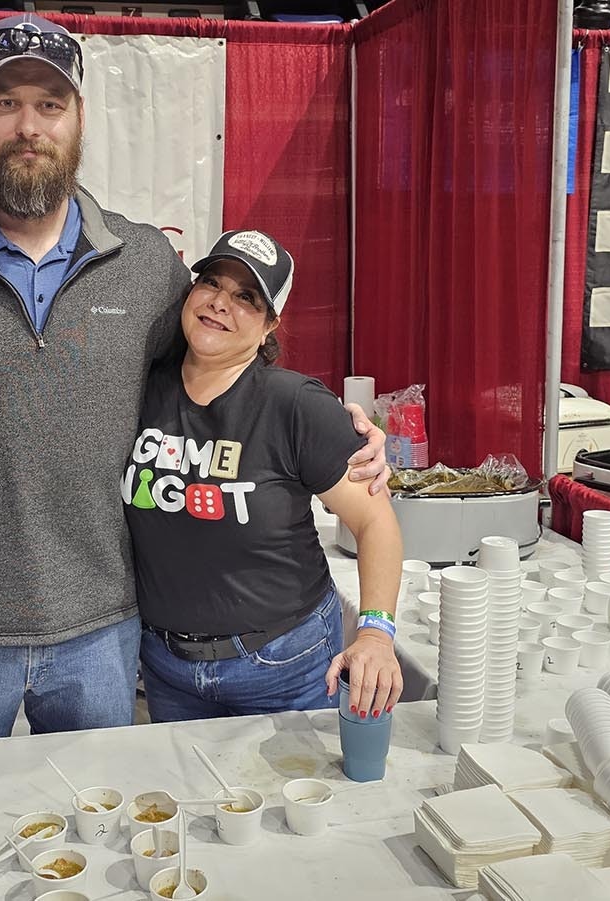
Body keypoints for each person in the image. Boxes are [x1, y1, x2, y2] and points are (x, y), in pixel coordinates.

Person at [0, 13, 386, 746]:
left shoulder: (145, 264)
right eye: (6, 103)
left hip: (100, 636)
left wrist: (337, 426)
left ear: (79, 119)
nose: (28, 125)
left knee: (96, 841)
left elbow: (219, 360)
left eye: (49, 105)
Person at [127, 230, 404, 721]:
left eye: (245, 297)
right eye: (210, 282)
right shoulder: (138, 389)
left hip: (283, 664)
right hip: (167, 666)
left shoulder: (296, 406)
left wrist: (376, 632)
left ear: (271, 324)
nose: (219, 303)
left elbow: (375, 522)